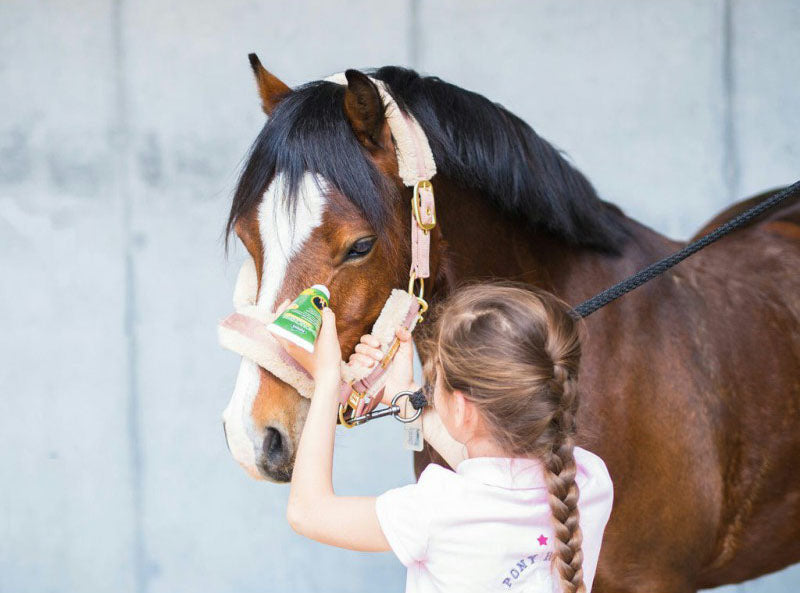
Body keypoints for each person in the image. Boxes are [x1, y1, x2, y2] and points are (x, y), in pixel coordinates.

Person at [278, 282, 614, 593]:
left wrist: (327, 377)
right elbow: (494, 471)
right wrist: (404, 396)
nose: (430, 385)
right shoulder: (590, 480)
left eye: (433, 376)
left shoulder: (434, 510)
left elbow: (308, 512)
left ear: (461, 408)